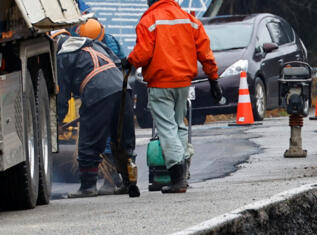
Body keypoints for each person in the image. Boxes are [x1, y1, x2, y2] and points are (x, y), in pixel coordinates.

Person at [127, 0, 222, 194]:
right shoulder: (189, 20)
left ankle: (177, 177)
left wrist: (128, 62)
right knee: (179, 125)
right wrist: (213, 79)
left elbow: (143, 54)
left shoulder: (149, 20)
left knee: (167, 129)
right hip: (183, 83)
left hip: (160, 83)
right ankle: (183, 171)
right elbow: (205, 51)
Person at [52, 30, 135, 198]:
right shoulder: (96, 44)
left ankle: (88, 187)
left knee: (89, 142)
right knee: (123, 141)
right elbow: (119, 64)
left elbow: (62, 94)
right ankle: (129, 183)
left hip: (98, 92)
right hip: (123, 89)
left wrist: (58, 120)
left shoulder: (63, 56)